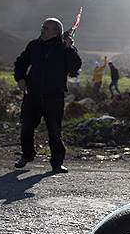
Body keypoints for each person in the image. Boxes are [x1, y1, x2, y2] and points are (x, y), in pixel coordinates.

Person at [13, 17, 82, 174]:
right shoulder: (34, 45)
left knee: (55, 131)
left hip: (54, 95)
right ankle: (27, 155)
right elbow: (21, 62)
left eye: (46, 27)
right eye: (43, 27)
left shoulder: (65, 47)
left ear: (56, 31)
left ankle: (57, 163)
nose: (42, 30)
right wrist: (20, 78)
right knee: (26, 127)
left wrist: (69, 48)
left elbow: (75, 67)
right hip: (33, 94)